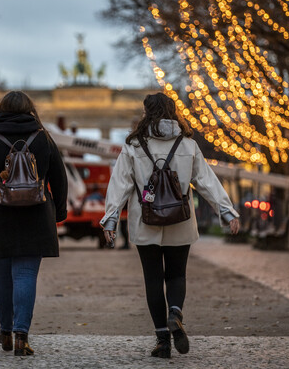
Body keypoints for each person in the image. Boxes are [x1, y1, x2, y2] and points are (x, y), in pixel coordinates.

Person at [100, 93, 240, 359]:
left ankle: (163, 341)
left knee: (153, 279)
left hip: (146, 220)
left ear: (146, 113)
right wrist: (226, 210)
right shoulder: (187, 144)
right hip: (181, 220)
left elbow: (120, 185)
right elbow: (206, 181)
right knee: (177, 275)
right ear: (173, 112)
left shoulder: (133, 145)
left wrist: (111, 217)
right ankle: (175, 311)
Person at [0, 90, 68, 356]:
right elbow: (60, 177)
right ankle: (22, 334)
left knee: (3, 276)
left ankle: (6, 331)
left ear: (2, 110)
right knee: (25, 275)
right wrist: (58, 211)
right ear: (30, 109)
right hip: (36, 213)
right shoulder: (43, 138)